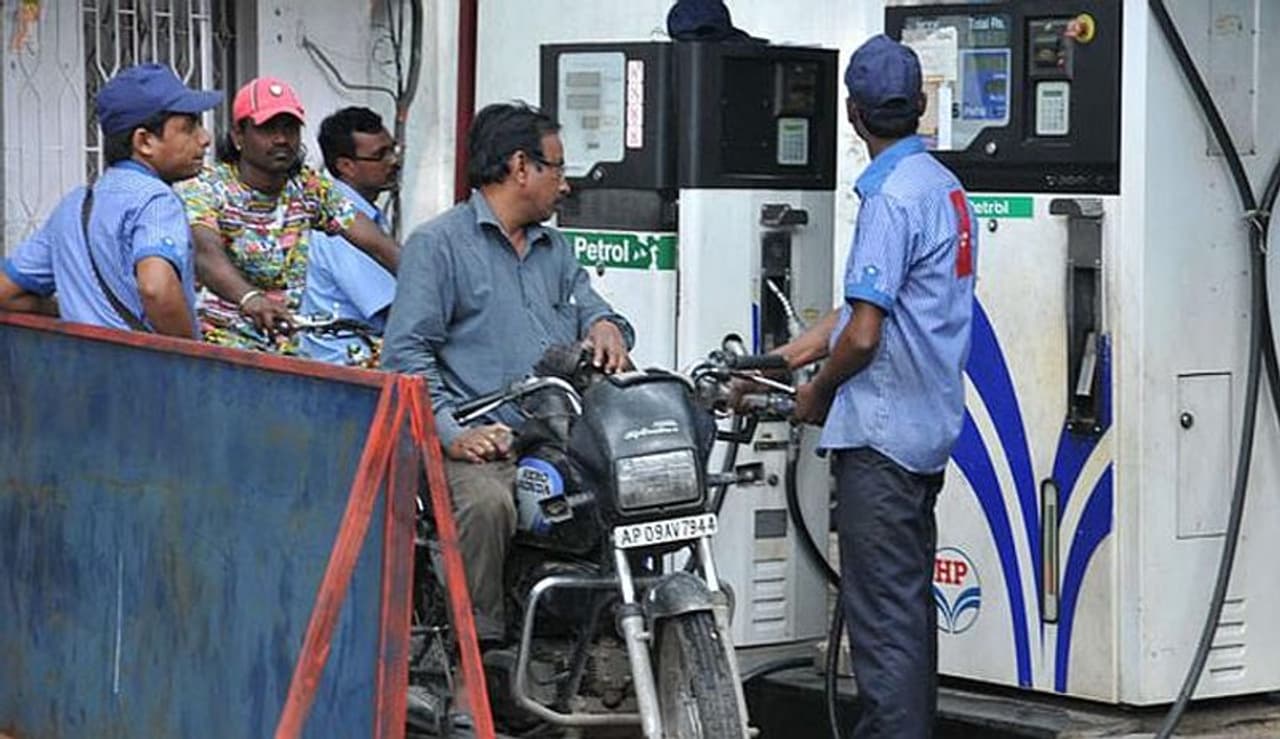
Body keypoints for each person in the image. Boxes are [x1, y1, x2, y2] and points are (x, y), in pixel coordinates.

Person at [770, 36, 977, 738]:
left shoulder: (888, 197)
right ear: (921, 106)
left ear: (852, 113)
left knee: (884, 637)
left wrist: (816, 395)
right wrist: (786, 357)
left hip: (882, 441)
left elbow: (863, 334)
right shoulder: (944, 187)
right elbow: (864, 308)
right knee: (905, 622)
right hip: (924, 434)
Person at [381, 102, 634, 645]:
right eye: (558, 168)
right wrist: (454, 435)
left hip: (557, 436)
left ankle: (593, 638)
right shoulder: (438, 245)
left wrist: (609, 325)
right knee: (488, 505)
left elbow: (591, 305)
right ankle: (479, 658)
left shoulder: (555, 248)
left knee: (628, 491)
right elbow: (405, 357)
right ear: (521, 167)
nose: (565, 185)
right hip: (479, 442)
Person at [178, 77, 400, 353]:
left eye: (290, 128)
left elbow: (379, 246)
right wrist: (250, 298)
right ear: (238, 136)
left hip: (287, 351)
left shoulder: (308, 187)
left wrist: (432, 287)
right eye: (268, 128)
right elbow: (205, 253)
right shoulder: (206, 189)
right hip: (221, 348)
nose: (281, 139)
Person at [0, 63, 221, 337]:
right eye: (188, 128)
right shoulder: (156, 201)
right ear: (145, 142)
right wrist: (195, 359)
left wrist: (70, 311)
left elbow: (5, 293)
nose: (205, 138)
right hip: (147, 374)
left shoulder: (73, 205)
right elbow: (156, 289)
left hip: (78, 372)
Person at [298, 106, 399, 367]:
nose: (393, 161)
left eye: (393, 149)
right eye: (381, 155)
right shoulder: (339, 221)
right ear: (346, 166)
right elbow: (393, 308)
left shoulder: (366, 213)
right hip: (345, 367)